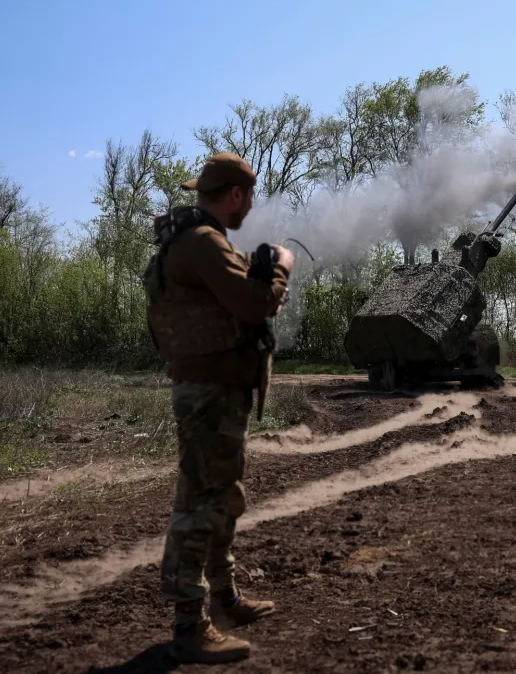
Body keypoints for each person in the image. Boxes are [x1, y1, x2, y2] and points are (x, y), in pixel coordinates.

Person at [142, 152, 295, 664]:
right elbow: (252, 304)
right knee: (201, 505)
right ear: (235, 194)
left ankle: (225, 598)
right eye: (247, 198)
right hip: (210, 395)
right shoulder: (203, 242)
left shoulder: (191, 241)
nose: (249, 208)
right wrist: (281, 272)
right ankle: (190, 624)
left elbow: (230, 300)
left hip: (213, 392)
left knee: (222, 496)